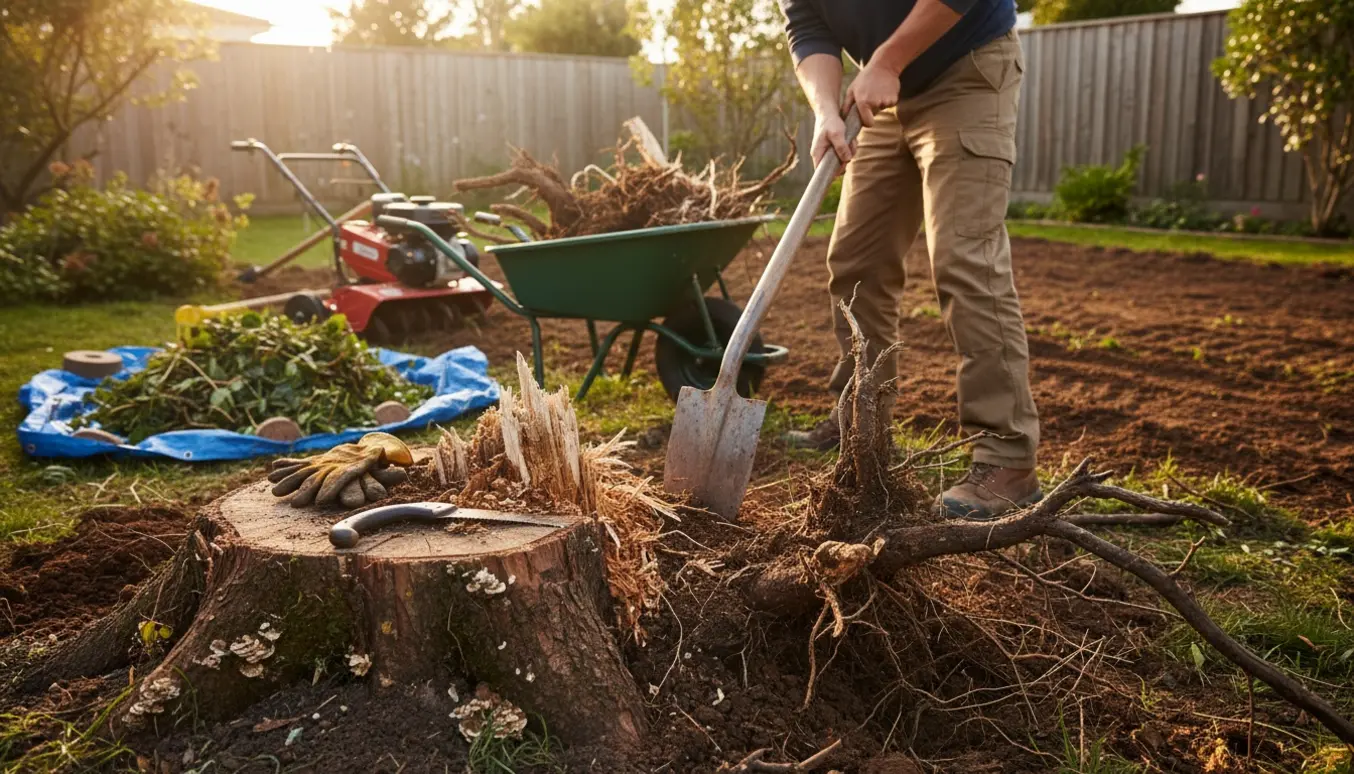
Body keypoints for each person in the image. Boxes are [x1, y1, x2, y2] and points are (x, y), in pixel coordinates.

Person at [777, 0, 1042, 521]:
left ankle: (1008, 460)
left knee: (965, 258)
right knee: (857, 260)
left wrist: (888, 61)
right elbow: (807, 27)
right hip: (879, 96)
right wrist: (826, 110)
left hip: (966, 67)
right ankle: (862, 427)